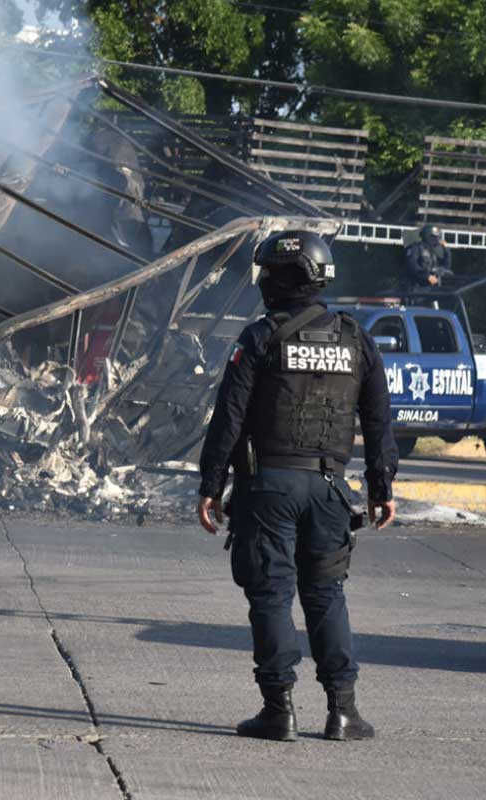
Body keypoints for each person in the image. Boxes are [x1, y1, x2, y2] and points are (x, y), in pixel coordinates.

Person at [196, 230, 398, 742]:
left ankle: (277, 710)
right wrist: (381, 488)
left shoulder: (261, 337)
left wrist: (210, 484)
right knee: (326, 594)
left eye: (269, 272)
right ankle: (343, 712)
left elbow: (229, 417)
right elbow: (378, 421)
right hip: (331, 490)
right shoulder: (356, 338)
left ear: (290, 278)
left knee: (270, 594)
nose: (262, 281)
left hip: (269, 489)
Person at [405, 224, 453, 289]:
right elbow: (412, 266)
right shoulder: (415, 248)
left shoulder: (433, 252)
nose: (437, 239)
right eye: (434, 237)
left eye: (437, 237)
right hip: (416, 288)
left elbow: (446, 267)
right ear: (427, 236)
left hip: (431, 288)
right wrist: (427, 276)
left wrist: (447, 250)